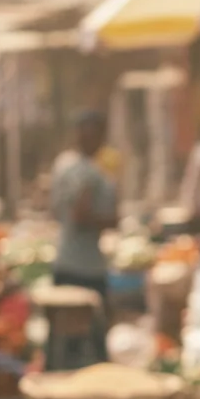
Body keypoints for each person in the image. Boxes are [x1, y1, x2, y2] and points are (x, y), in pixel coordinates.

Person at [50, 111, 117, 297]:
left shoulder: (62, 164)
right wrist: (110, 221)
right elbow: (80, 215)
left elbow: (55, 212)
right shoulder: (89, 172)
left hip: (64, 262)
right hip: (86, 269)